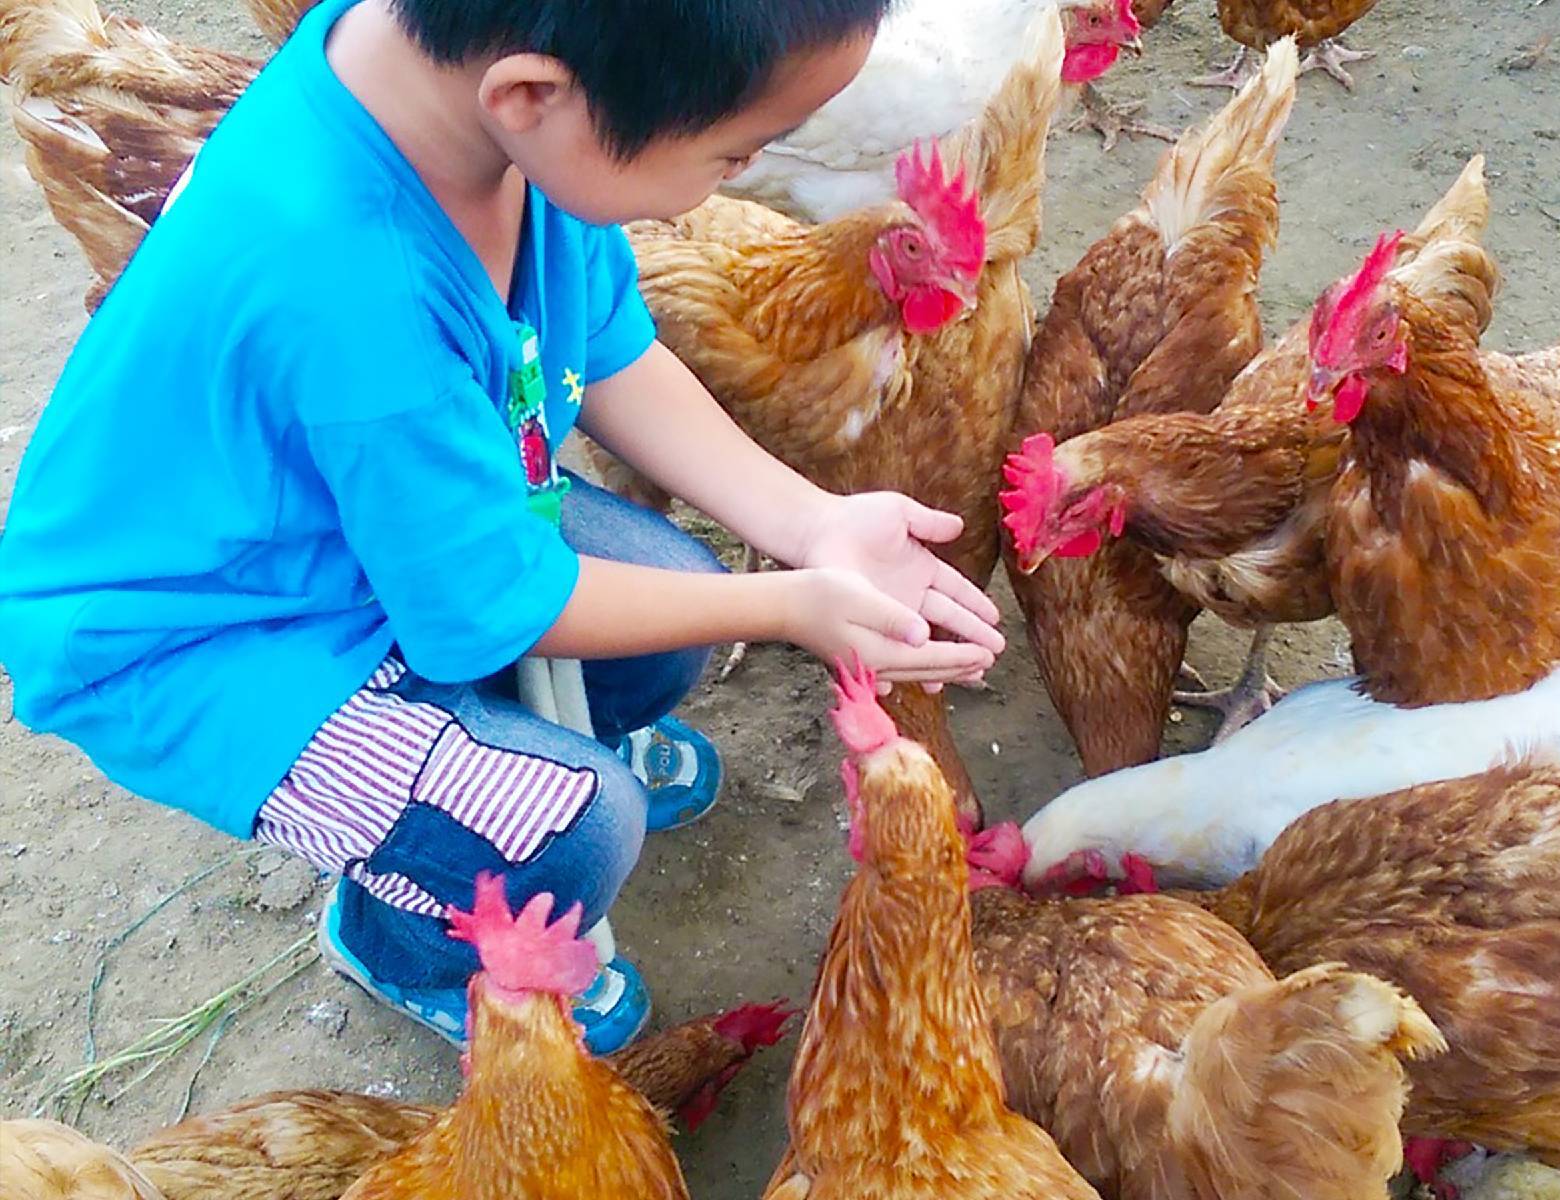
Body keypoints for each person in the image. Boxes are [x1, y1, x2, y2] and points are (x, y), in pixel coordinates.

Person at [0, 0, 1005, 1053]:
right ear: (532, 95)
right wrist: (793, 603)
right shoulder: (352, 283)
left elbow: (616, 354)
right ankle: (402, 936)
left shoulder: (481, 114)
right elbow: (499, 604)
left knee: (667, 617)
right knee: (572, 834)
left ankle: (510, 752)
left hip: (349, 520)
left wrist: (815, 526)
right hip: (211, 639)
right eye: (731, 152)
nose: (733, 178)